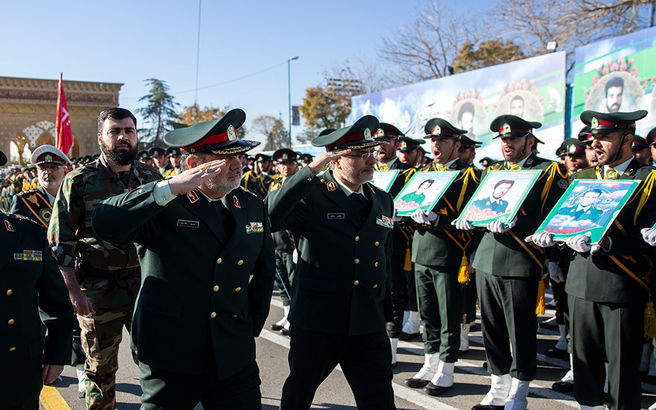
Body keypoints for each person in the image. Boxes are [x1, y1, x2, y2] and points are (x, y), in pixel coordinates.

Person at [92, 108, 274, 409]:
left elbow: (264, 273)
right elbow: (105, 221)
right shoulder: (164, 204)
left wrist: (246, 326)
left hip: (232, 354)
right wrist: (169, 188)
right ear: (193, 164)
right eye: (226, 158)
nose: (237, 164)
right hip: (170, 355)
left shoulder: (251, 206)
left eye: (239, 155)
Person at [267, 115, 396, 410]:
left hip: (367, 321)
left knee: (379, 400)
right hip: (319, 321)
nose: (370, 160)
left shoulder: (382, 200)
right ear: (335, 159)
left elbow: (383, 259)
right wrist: (309, 171)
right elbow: (270, 216)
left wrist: (386, 312)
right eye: (360, 155)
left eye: (371, 152)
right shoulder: (310, 194)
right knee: (299, 394)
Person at [530, 109, 655, 410]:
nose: (596, 144)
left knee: (624, 371)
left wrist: (610, 242)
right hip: (579, 285)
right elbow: (563, 222)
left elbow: (648, 238)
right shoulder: (582, 177)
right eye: (594, 138)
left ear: (628, 139)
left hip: (621, 286)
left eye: (605, 137)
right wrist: (551, 242)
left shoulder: (648, 179)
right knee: (584, 365)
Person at [48, 107, 162, 409]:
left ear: (137, 137)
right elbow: (61, 241)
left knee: (158, 362)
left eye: (129, 131)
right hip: (98, 291)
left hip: (146, 287)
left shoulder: (153, 178)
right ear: (101, 138)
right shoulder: (80, 180)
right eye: (115, 131)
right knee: (100, 370)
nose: (123, 137)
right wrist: (73, 291)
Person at [457, 115, 569, 410]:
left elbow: (555, 216)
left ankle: (520, 388)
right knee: (491, 327)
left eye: (514, 139)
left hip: (521, 261)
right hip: (486, 259)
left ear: (529, 141)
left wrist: (521, 222)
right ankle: (497, 385)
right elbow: (481, 208)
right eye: (504, 140)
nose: (507, 145)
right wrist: (471, 217)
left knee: (520, 330)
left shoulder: (548, 171)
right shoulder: (493, 171)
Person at [404, 118, 481, 396]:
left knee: (449, 314)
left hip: (449, 253)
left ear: (457, 144)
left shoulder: (470, 176)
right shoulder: (424, 172)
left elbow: (473, 217)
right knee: (428, 313)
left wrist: (439, 219)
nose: (436, 146)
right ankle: (429, 361)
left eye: (443, 141)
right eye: (433, 141)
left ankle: (447, 367)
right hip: (422, 250)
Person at [0, 148, 74, 410]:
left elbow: (56, 303)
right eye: (43, 167)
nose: (49, 171)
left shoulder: (26, 233)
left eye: (55, 167)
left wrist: (56, 353)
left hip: (16, 368)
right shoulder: (26, 203)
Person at [268, 148, 301, 336]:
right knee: (282, 284)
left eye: (290, 163)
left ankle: (295, 319)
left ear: (296, 165)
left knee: (294, 282)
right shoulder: (275, 184)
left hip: (291, 244)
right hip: (276, 241)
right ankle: (287, 315)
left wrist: (297, 247)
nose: (286, 167)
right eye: (282, 164)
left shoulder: (300, 185)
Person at [10, 145, 71, 225]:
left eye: (53, 167)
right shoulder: (23, 201)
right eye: (43, 168)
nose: (47, 172)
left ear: (65, 171)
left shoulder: (74, 197)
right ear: (37, 172)